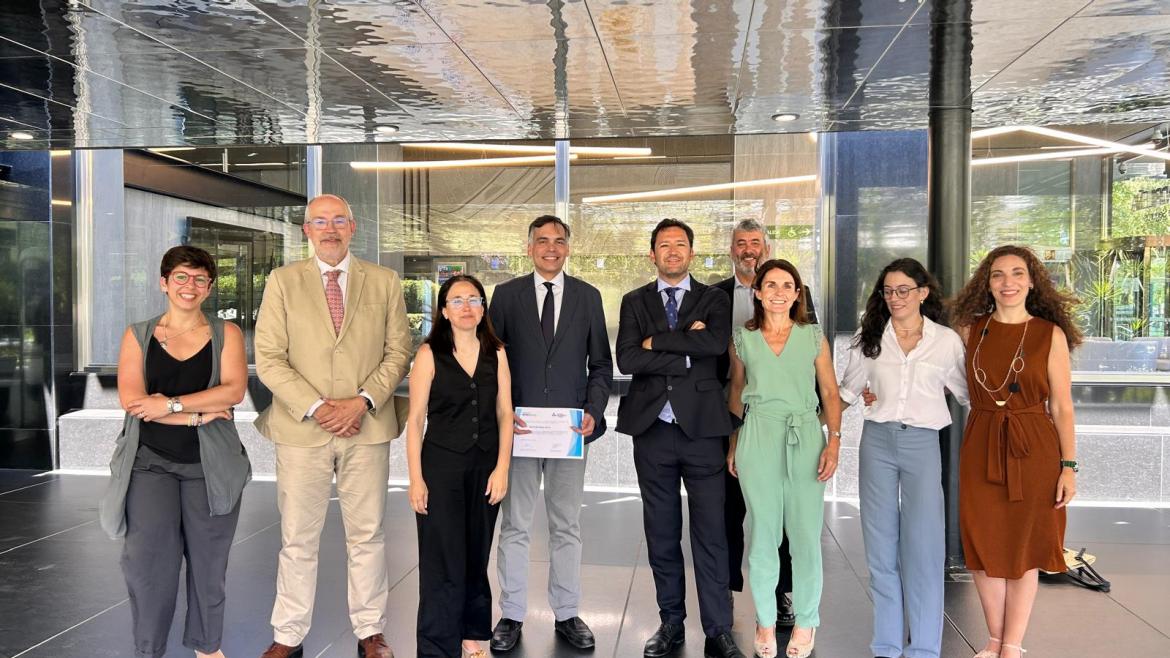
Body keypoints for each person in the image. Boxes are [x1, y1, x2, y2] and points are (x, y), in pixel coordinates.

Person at [253, 194, 412, 658]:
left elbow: (398, 352)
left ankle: (370, 631)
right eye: (319, 221)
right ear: (306, 230)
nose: (330, 228)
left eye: (339, 220)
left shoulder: (384, 281)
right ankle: (288, 635)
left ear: (352, 227)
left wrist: (362, 401)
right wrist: (318, 406)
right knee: (297, 539)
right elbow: (269, 358)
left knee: (368, 535)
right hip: (302, 430)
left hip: (367, 426)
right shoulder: (282, 282)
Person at [101, 245, 251, 658]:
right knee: (148, 564)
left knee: (209, 564)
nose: (190, 286)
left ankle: (208, 648)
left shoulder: (226, 334)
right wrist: (196, 416)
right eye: (181, 277)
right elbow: (135, 403)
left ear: (210, 288)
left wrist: (167, 404)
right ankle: (149, 649)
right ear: (163, 283)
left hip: (211, 466)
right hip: (149, 464)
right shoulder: (138, 335)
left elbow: (233, 391)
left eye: (200, 279)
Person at [616, 218, 744, 658]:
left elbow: (714, 346)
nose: (672, 251)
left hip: (703, 431)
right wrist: (684, 349)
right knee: (662, 532)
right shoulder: (634, 301)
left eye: (680, 244)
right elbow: (628, 358)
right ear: (652, 254)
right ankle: (670, 622)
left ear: (691, 252)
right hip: (651, 431)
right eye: (664, 245)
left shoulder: (714, 298)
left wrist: (656, 344)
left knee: (711, 533)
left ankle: (718, 628)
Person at [487, 215, 613, 651]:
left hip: (569, 433)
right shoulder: (505, 296)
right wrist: (503, 412)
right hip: (519, 432)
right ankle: (511, 615)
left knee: (566, 526)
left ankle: (567, 613)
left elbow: (601, 364)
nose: (551, 248)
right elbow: (492, 363)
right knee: (515, 526)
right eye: (542, 241)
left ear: (568, 248)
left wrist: (594, 410)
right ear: (529, 248)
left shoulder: (588, 296)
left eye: (559, 241)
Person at [951, 245, 1080, 658]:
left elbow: (1062, 406)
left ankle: (1011, 645)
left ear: (1032, 281)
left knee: (1025, 547)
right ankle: (993, 639)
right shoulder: (969, 331)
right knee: (982, 543)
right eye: (998, 275)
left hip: (1035, 447)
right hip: (981, 443)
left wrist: (1069, 466)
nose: (1008, 282)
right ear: (987, 284)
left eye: (1017, 273)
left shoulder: (1049, 334)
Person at [838, 258, 968, 658]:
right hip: (877, 442)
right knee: (880, 547)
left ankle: (925, 647)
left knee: (924, 547)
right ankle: (887, 644)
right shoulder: (870, 335)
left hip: (923, 444)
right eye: (888, 291)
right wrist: (816, 425)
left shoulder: (945, 341)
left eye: (904, 290)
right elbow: (847, 392)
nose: (895, 298)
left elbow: (969, 394)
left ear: (922, 292)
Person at [726, 259, 841, 658]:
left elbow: (830, 392)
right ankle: (765, 620)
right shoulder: (742, 338)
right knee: (763, 535)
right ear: (757, 292)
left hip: (805, 434)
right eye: (770, 285)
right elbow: (736, 392)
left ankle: (806, 621)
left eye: (787, 285)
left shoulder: (813, 337)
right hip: (758, 434)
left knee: (805, 536)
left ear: (797, 294)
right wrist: (734, 442)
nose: (778, 292)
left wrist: (834, 442)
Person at [713, 219, 818, 627]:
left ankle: (780, 593)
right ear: (732, 250)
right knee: (730, 508)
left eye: (755, 242)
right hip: (730, 412)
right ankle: (726, 589)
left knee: (783, 515)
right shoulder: (715, 295)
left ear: (766, 249)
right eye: (741, 243)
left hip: (782, 418)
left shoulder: (793, 297)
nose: (748, 249)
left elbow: (808, 361)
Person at [405, 274, 514, 658]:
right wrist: (415, 480)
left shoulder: (496, 352)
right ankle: (437, 647)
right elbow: (415, 420)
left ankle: (471, 635)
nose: (467, 307)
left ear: (483, 308)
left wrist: (502, 469)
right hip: (441, 469)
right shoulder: (429, 353)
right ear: (445, 311)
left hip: (485, 468)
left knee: (476, 553)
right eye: (457, 300)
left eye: (474, 299)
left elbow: (505, 413)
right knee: (441, 558)